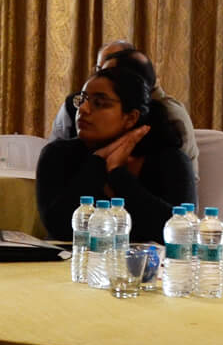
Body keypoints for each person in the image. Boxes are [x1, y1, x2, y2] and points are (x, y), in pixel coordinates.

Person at [35, 61, 196, 242]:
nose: (83, 109)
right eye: (82, 100)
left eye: (99, 103)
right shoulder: (57, 154)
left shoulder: (170, 160)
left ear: (131, 118)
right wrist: (98, 162)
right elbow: (58, 228)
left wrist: (118, 174)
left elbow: (182, 232)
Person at [49, 40, 199, 169]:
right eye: (99, 71)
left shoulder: (169, 116)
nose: (84, 108)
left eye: (100, 103)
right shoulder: (75, 106)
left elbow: (183, 181)